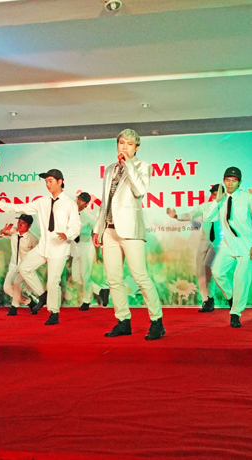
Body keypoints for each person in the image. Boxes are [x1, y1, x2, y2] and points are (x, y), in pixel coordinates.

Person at [93, 129, 165, 340]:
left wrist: (129, 164)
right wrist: (98, 228)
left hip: (131, 230)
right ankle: (123, 321)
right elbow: (105, 201)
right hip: (109, 230)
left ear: (136, 148)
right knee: (113, 279)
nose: (124, 147)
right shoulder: (109, 169)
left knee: (140, 276)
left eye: (129, 144)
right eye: (121, 143)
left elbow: (139, 190)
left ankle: (157, 322)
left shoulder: (142, 166)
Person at [0, 169, 81, 326]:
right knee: (24, 268)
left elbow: (76, 225)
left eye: (50, 181)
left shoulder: (69, 204)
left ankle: (54, 313)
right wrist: (0, 204)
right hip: (43, 247)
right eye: (46, 181)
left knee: (53, 282)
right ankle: (43, 295)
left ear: (60, 182)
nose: (47, 184)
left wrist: (67, 234)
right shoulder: (42, 202)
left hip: (59, 248)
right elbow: (22, 207)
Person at [210, 167, 252, 328]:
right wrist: (215, 201)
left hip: (246, 245)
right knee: (217, 272)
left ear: (239, 182)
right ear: (223, 181)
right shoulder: (220, 199)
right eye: (228, 180)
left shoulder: (248, 198)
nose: (230, 184)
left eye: (234, 181)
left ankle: (235, 313)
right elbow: (208, 216)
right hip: (228, 244)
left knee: (241, 280)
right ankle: (231, 297)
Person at [166, 184, 221, 313]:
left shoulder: (227, 207)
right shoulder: (206, 206)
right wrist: (176, 216)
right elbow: (191, 215)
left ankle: (229, 298)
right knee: (201, 270)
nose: (214, 197)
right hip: (205, 240)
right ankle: (207, 300)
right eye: (213, 194)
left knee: (213, 268)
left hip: (220, 242)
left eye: (217, 194)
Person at [0, 214, 38, 316]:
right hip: (13, 266)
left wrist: (31, 267)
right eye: (19, 222)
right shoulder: (14, 232)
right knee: (7, 288)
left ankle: (14, 307)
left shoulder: (32, 239)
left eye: (23, 223)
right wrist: (2, 231)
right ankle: (30, 303)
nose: (20, 224)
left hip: (25, 268)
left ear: (29, 226)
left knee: (17, 284)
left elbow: (37, 256)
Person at [72, 192, 110, 311]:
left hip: (86, 247)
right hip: (75, 248)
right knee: (76, 277)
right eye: (78, 199)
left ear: (86, 204)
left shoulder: (89, 218)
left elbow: (98, 232)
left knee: (85, 275)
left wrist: (100, 250)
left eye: (81, 201)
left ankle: (86, 301)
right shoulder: (70, 213)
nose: (78, 202)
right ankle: (101, 290)